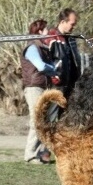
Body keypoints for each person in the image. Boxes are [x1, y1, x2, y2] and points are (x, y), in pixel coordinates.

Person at [21, 19, 59, 164]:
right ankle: (30, 155)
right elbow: (41, 66)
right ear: (39, 31)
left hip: (42, 87)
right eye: (46, 30)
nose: (48, 33)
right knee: (36, 121)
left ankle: (40, 154)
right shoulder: (32, 47)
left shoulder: (41, 47)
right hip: (33, 88)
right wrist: (53, 69)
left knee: (42, 121)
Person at [44, 8, 81, 121]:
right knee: (51, 116)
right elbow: (45, 60)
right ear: (62, 22)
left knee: (66, 117)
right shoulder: (51, 37)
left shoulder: (71, 39)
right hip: (56, 84)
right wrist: (54, 76)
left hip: (70, 83)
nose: (73, 27)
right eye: (72, 24)